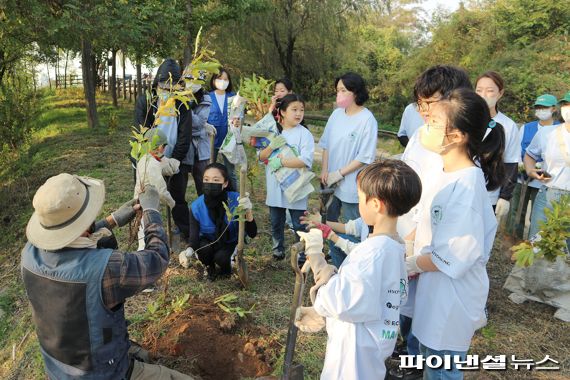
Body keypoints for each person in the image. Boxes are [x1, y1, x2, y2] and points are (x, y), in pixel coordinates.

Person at [21, 174, 193, 379]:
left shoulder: (28, 255)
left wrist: (112, 220)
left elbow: (72, 241)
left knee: (140, 353)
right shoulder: (105, 269)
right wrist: (151, 212)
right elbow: (156, 259)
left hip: (60, 368)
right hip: (102, 374)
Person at [405, 89, 504, 380]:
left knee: (443, 369)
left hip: (451, 298)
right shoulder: (445, 172)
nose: (426, 126)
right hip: (434, 290)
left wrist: (410, 264)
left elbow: (454, 254)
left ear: (458, 136)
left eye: (435, 122)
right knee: (432, 363)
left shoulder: (467, 186)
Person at [294, 159, 422, 380]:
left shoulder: (373, 253)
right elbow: (375, 297)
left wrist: (317, 258)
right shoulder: (395, 247)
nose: (359, 203)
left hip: (352, 356)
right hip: (371, 349)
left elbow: (338, 300)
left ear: (376, 204)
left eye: (360, 197)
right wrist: (324, 314)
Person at [393, 66, 474, 379]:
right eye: (420, 104)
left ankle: (417, 360)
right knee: (409, 311)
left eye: (432, 103)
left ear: (457, 100)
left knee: (432, 335)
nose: (424, 111)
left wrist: (414, 241)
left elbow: (436, 204)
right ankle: (411, 358)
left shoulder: (457, 148)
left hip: (431, 249)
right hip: (410, 237)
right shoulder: (420, 134)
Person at [134, 58, 192, 243]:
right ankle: (145, 233)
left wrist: (175, 159)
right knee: (146, 197)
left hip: (175, 157)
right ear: (157, 83)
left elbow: (185, 134)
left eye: (172, 84)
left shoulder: (183, 104)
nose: (167, 88)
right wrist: (150, 157)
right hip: (148, 157)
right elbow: (140, 130)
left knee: (178, 197)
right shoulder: (146, 101)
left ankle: (185, 233)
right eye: (163, 84)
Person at [319, 72, 378, 237]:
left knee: (352, 229)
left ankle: (351, 260)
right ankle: (334, 256)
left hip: (352, 184)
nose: (339, 94)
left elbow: (364, 156)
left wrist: (339, 174)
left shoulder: (367, 120)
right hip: (329, 180)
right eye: (338, 90)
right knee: (328, 225)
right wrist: (325, 171)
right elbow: (326, 144)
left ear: (356, 92)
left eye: (344, 90)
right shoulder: (336, 114)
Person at [259, 94, 315, 260]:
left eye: (301, 110)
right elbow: (261, 156)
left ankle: (302, 253)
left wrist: (283, 162)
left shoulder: (304, 134)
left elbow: (306, 160)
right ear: (282, 112)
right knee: (276, 220)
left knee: (299, 222)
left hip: (295, 184)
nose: (298, 114)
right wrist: (270, 147)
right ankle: (278, 250)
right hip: (276, 184)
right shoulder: (272, 131)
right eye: (294, 110)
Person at [186, 163, 257, 280]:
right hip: (208, 241)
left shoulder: (237, 201)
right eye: (206, 179)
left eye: (216, 180)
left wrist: (248, 211)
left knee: (222, 258)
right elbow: (194, 238)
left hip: (229, 242)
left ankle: (226, 269)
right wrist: (188, 251)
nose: (210, 183)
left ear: (225, 183)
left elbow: (252, 233)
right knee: (203, 249)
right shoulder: (196, 207)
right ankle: (209, 267)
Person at [509, 94, 561, 238]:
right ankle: (515, 241)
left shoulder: (560, 130)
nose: (541, 110)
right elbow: (517, 149)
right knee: (517, 211)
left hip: (546, 180)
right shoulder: (527, 127)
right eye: (538, 107)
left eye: (544, 107)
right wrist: (522, 166)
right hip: (523, 177)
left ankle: (534, 243)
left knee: (538, 215)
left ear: (554, 109)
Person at [524, 91, 569, 240]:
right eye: (566, 104)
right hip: (548, 195)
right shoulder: (547, 133)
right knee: (538, 244)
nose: (568, 108)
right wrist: (531, 170)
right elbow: (530, 154)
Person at [475, 71, 519, 219]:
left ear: (500, 93)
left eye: (490, 91)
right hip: (462, 189)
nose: (483, 95)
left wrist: (505, 196)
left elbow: (511, 163)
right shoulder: (464, 119)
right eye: (479, 90)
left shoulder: (508, 125)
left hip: (489, 195)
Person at [133, 128, 179, 250]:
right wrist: (172, 203)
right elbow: (161, 191)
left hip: (141, 203)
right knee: (146, 238)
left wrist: (173, 165)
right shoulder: (152, 164)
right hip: (147, 206)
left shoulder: (145, 158)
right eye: (164, 146)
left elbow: (165, 163)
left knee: (143, 234)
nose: (164, 150)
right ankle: (145, 261)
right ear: (159, 147)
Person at [207, 68, 239, 189]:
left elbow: (239, 117)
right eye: (219, 78)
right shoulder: (208, 97)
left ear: (229, 81)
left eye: (225, 79)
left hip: (229, 140)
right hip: (211, 139)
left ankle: (234, 197)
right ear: (214, 80)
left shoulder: (234, 97)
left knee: (230, 172)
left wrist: (238, 122)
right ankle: (211, 195)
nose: (222, 81)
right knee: (210, 170)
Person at [187, 83, 215, 196]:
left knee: (203, 186)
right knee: (179, 187)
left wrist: (186, 109)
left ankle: (205, 210)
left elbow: (197, 124)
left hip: (201, 149)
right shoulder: (176, 96)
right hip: (182, 146)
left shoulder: (205, 99)